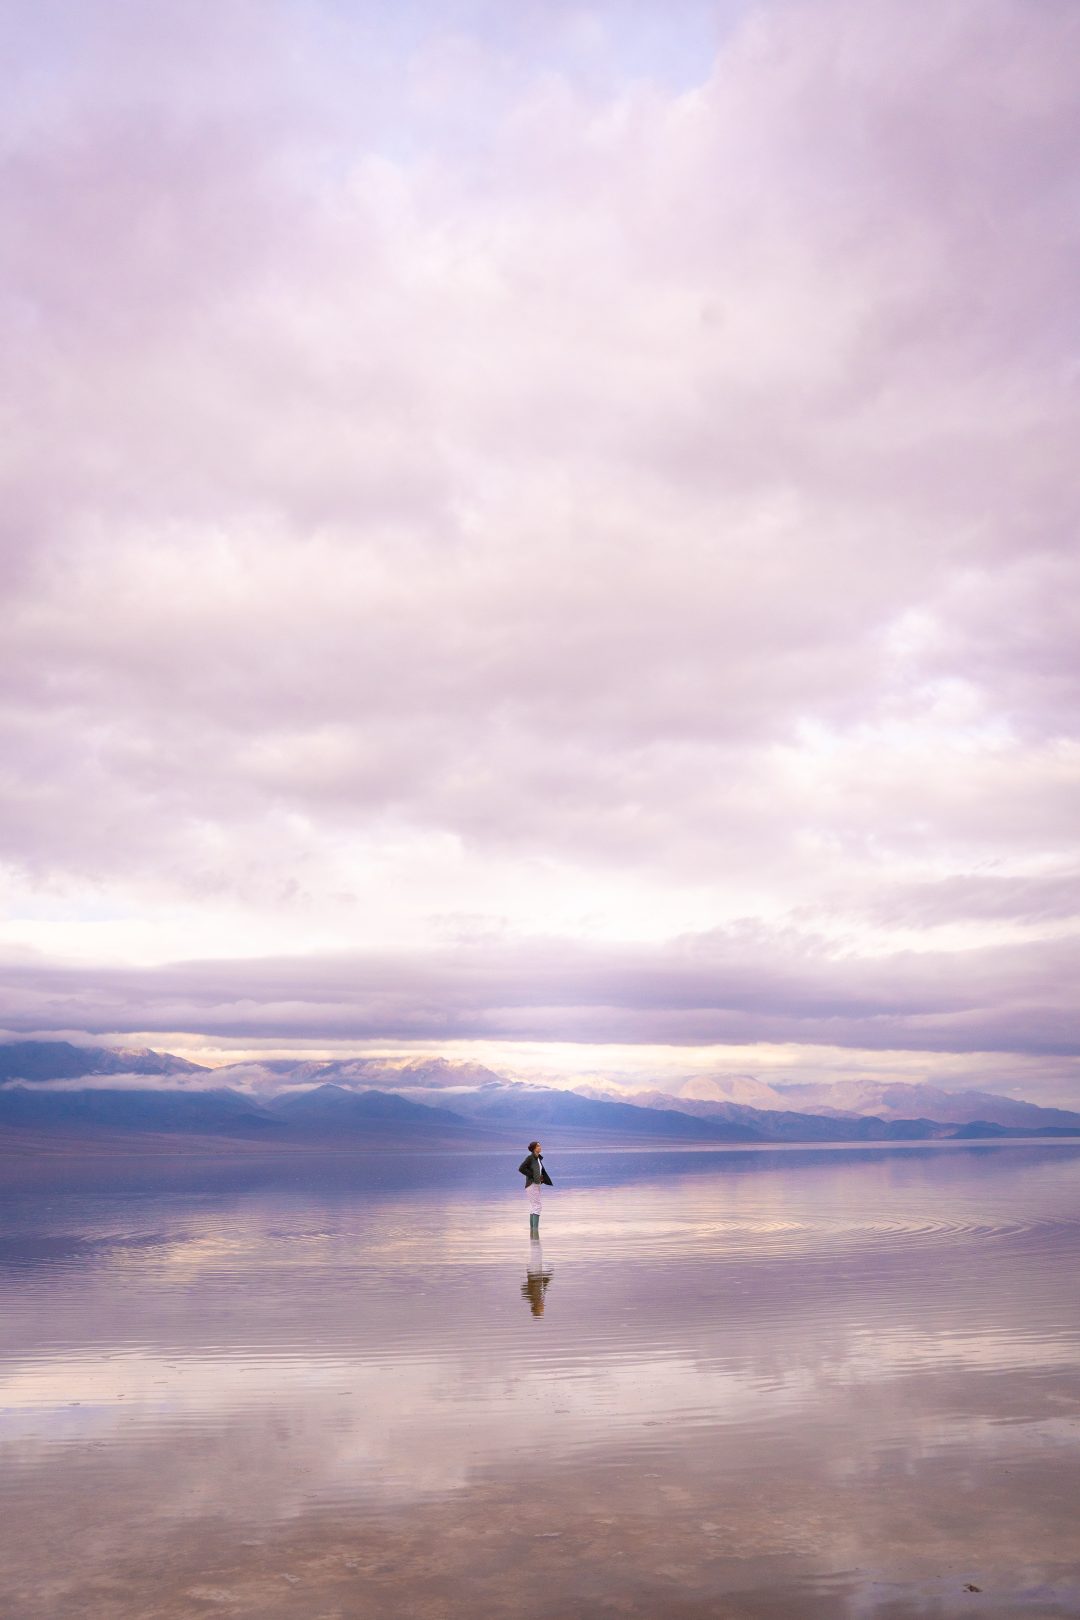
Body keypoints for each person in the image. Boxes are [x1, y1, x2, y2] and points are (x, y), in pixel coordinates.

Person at [518, 1139, 553, 1237]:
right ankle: (535, 1229)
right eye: (538, 1146)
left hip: (537, 1184)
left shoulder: (538, 1158)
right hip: (531, 1184)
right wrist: (532, 1175)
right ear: (534, 1148)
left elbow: (540, 1171)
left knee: (534, 1206)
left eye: (540, 1146)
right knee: (537, 1206)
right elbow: (521, 1168)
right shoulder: (530, 1158)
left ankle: (533, 1232)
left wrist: (541, 1178)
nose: (540, 1147)